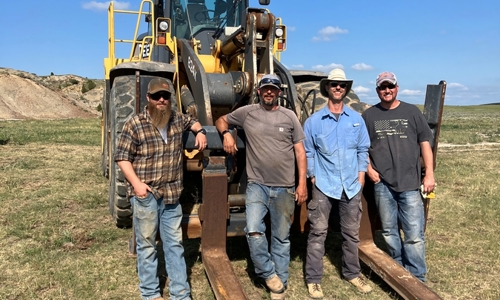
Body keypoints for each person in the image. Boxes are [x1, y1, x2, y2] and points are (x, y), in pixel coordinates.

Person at [215, 74, 307, 300]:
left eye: (273, 89)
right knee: (254, 230)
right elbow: (221, 120)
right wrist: (226, 134)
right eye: (265, 88)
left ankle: (280, 283)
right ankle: (268, 273)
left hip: (285, 186)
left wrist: (302, 183)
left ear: (279, 93)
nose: (269, 92)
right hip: (257, 185)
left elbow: (300, 151)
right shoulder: (247, 113)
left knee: (281, 237)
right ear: (258, 91)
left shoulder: (289, 116)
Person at [115, 77, 207, 300]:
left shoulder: (176, 119)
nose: (161, 100)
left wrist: (200, 130)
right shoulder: (135, 123)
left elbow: (191, 120)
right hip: (147, 195)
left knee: (175, 244)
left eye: (165, 96)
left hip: (172, 196)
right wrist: (137, 186)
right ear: (148, 98)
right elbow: (122, 157)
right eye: (156, 96)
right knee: (147, 246)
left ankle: (180, 293)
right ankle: (150, 293)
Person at [303, 68, 372, 298]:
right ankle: (313, 279)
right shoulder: (314, 122)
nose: (338, 88)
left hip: (351, 185)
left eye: (342, 85)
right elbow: (309, 151)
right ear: (327, 88)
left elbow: (363, 149)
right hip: (323, 184)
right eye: (334, 84)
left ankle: (352, 273)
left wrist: (361, 175)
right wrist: (313, 175)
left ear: (346, 89)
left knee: (351, 234)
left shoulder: (356, 120)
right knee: (318, 232)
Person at [361, 71, 435, 282]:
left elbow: (425, 144)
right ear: (377, 91)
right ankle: (398, 270)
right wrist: (369, 169)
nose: (387, 90)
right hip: (382, 183)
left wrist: (429, 174)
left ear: (397, 88)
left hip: (410, 183)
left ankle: (417, 277)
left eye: (390, 86)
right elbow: (361, 146)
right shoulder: (369, 115)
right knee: (389, 231)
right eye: (383, 87)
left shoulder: (411, 112)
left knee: (413, 234)